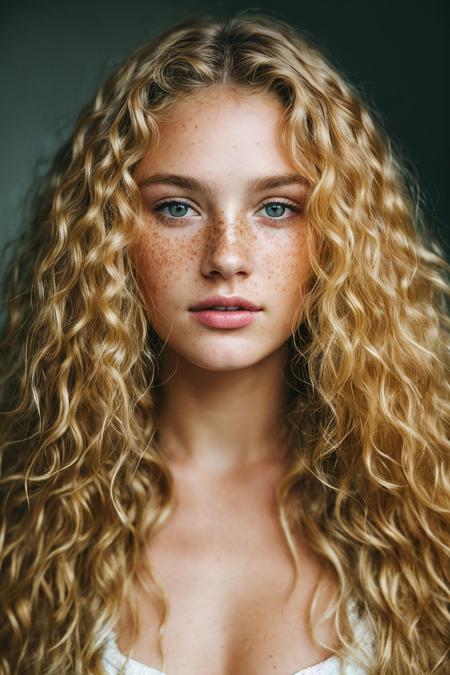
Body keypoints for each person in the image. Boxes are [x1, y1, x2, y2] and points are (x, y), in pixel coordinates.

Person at [0, 12, 448, 675]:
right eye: (178, 207)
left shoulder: (430, 497)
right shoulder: (25, 507)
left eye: (277, 208)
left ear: (340, 232)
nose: (227, 257)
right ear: (107, 236)